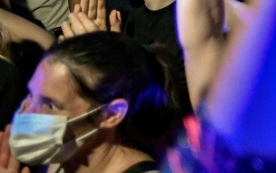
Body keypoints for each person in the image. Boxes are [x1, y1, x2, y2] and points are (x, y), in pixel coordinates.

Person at [1, 32, 179, 172]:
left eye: (50, 105)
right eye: (32, 95)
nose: (27, 113)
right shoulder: (60, 162)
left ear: (111, 114)